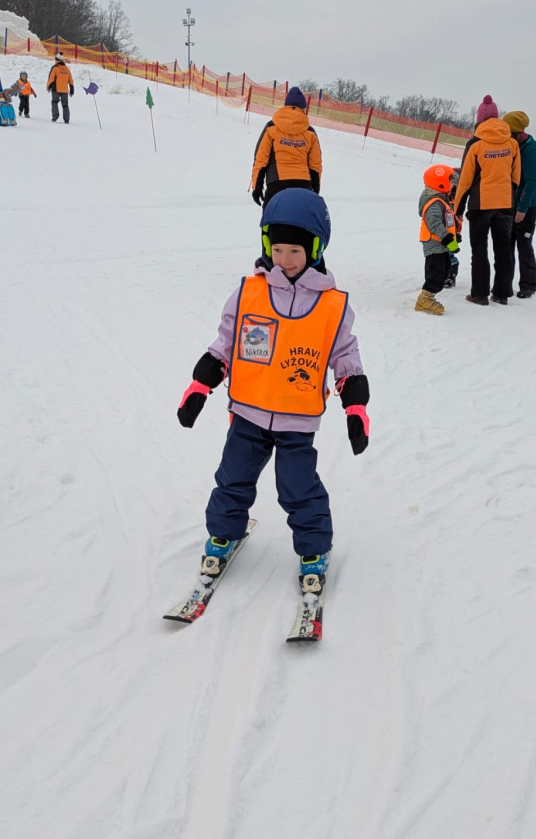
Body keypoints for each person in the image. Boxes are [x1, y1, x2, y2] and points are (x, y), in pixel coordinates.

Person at [176, 188, 368, 584]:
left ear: (315, 249)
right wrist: (200, 385)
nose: (285, 259)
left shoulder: (332, 305)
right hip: (247, 411)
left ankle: (314, 547)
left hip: (297, 419)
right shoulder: (250, 292)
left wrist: (355, 407)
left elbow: (345, 355)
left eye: (295, 251)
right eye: (277, 249)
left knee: (297, 487)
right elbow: (225, 343)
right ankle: (223, 533)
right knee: (232, 478)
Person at [453, 95, 520, 305]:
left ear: (479, 119)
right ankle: (502, 293)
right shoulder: (512, 143)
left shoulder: (475, 144)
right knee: (503, 250)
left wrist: (458, 208)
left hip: (480, 205)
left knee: (479, 250)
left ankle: (479, 294)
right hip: (505, 205)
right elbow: (516, 177)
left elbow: (465, 180)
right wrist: (509, 196)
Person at [250, 86, 323, 205]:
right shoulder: (310, 133)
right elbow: (315, 165)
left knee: (271, 216)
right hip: (303, 186)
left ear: (286, 106)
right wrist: (315, 189)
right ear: (303, 108)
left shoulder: (271, 127)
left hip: (276, 185)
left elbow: (261, 159)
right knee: (300, 216)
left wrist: (257, 187)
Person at [501, 110, 536, 298]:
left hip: (528, 206)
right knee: (507, 245)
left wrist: (522, 209)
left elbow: (532, 181)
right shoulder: (511, 146)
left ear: (516, 132)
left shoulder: (530, 150)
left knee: (524, 245)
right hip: (510, 203)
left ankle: (528, 285)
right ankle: (504, 284)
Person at [415, 164, 460, 315]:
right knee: (436, 273)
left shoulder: (442, 199)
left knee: (444, 270)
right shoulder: (434, 202)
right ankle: (424, 300)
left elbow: (447, 221)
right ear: (440, 183)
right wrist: (447, 238)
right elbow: (434, 223)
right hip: (434, 244)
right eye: (451, 181)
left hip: (442, 244)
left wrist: (455, 235)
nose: (453, 184)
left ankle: (429, 297)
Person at [46, 55, 74, 123]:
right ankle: (66, 119)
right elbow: (71, 80)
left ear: (56, 59)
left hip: (56, 89)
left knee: (54, 102)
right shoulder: (67, 69)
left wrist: (48, 87)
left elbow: (51, 78)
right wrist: (72, 90)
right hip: (64, 90)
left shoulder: (55, 68)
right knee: (65, 105)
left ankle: (55, 116)